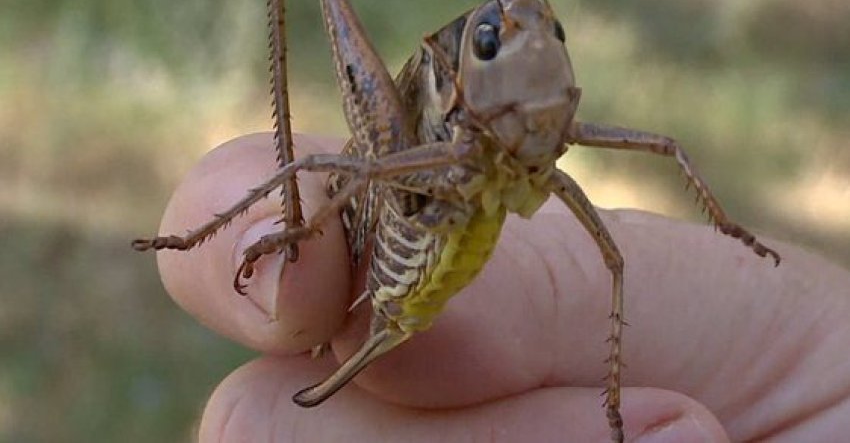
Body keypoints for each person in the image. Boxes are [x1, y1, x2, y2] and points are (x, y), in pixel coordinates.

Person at [154, 133, 850, 442]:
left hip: (437, 281)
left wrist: (612, 410)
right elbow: (332, 164)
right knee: (333, 167)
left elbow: (659, 160)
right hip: (397, 234)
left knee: (610, 250)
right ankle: (258, 232)